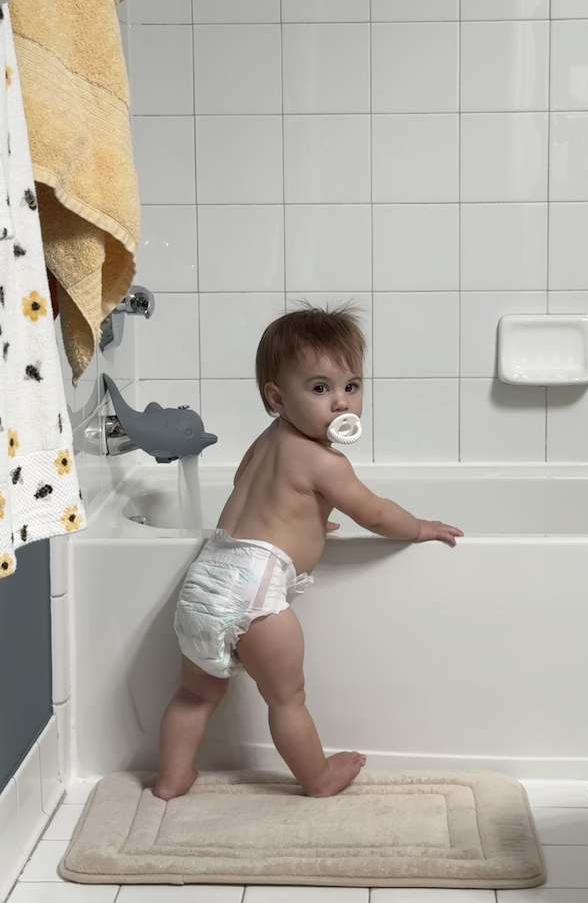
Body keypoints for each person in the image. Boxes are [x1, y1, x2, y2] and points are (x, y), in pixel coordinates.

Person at [154, 304, 463, 800]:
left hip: (207, 581)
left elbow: (248, 487)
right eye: (320, 389)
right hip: (255, 591)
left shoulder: (266, 441)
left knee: (195, 693)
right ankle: (317, 778)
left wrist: (309, 518)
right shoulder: (325, 462)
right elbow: (375, 514)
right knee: (287, 699)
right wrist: (420, 528)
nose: (341, 403)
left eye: (352, 386)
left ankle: (171, 777)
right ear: (277, 397)